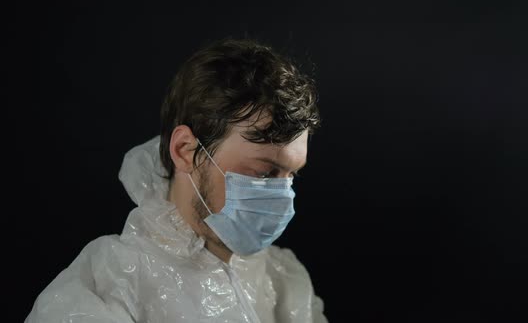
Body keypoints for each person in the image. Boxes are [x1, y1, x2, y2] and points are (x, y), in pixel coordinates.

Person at [26, 38, 327, 322]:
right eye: (264, 172)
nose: (283, 197)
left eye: (291, 175)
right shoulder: (106, 287)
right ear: (185, 150)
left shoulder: (284, 280)